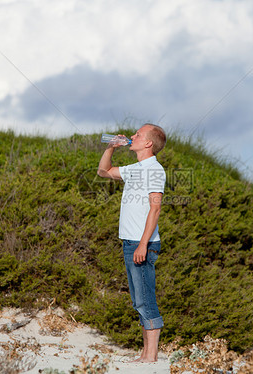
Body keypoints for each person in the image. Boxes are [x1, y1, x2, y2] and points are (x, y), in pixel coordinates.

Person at [97, 123, 167, 363]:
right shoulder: (135, 168)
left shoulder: (154, 170)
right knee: (139, 299)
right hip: (130, 241)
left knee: (146, 298)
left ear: (148, 143)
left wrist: (143, 245)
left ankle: (151, 356)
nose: (132, 136)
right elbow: (104, 172)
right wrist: (110, 148)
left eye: (138, 135)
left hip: (141, 243)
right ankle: (146, 354)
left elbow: (155, 209)